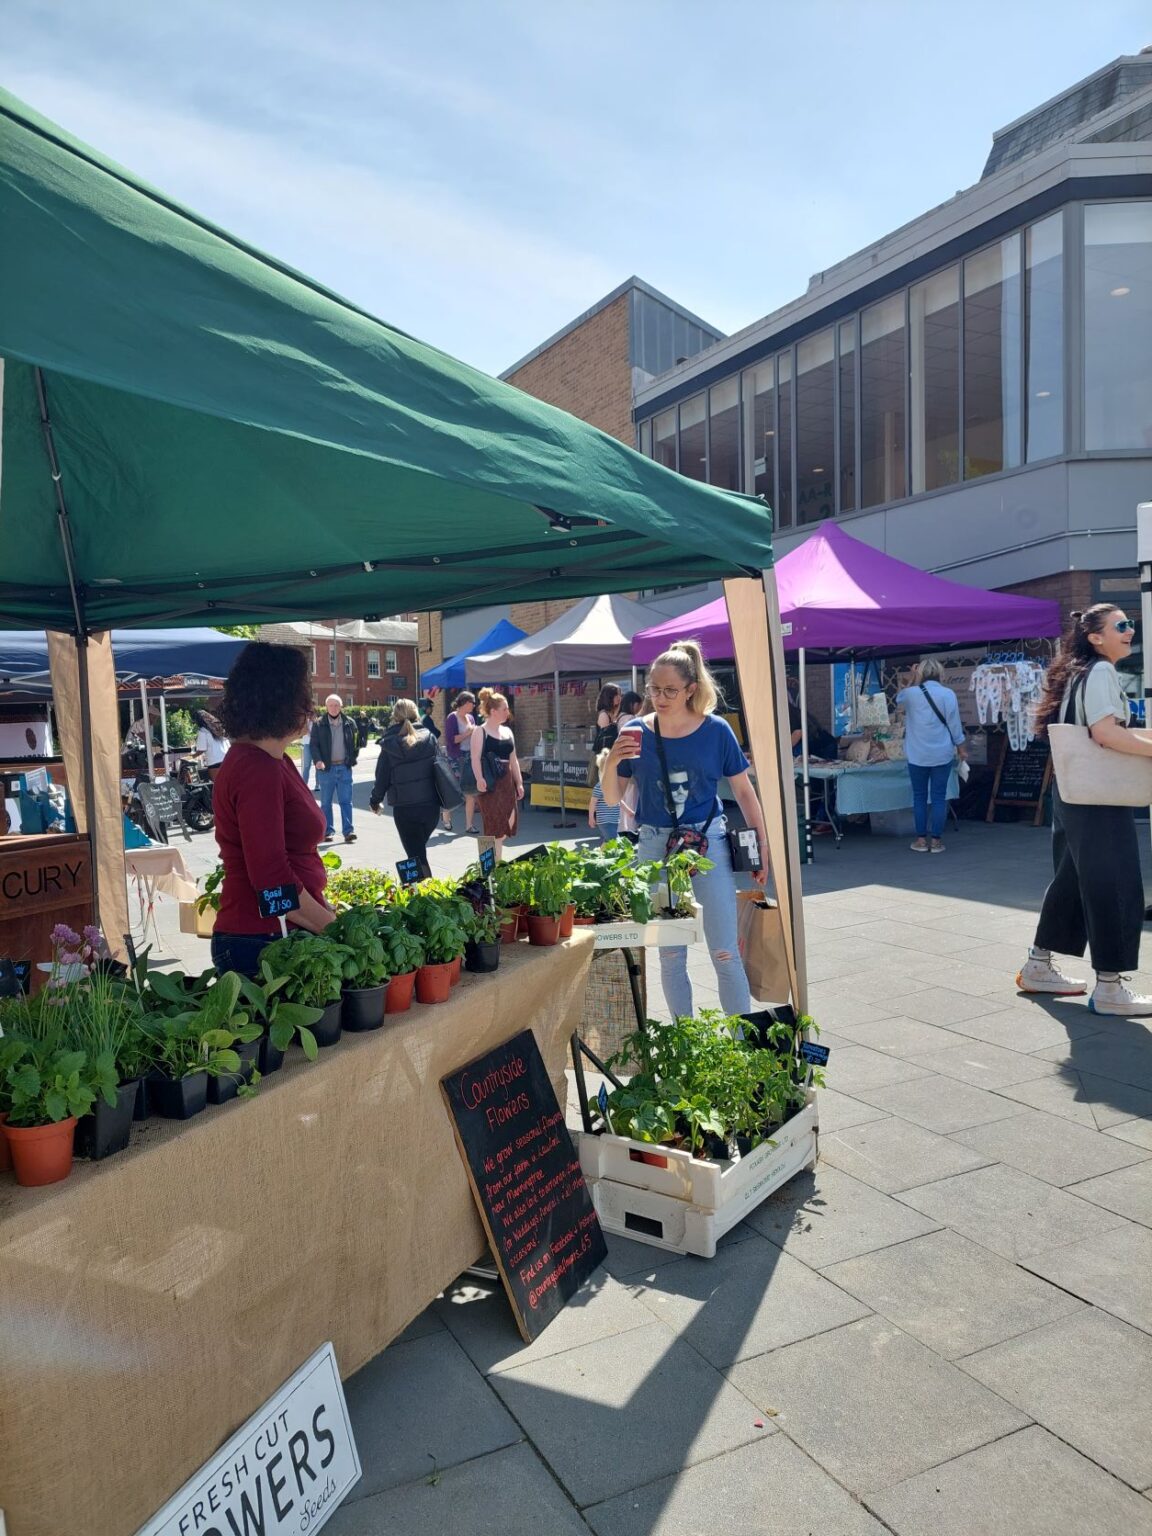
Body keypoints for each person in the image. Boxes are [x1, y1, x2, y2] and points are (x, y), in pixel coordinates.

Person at [601, 639, 768, 1019]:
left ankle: (739, 1049)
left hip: (707, 844)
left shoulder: (716, 730)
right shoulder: (635, 733)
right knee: (671, 956)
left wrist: (762, 845)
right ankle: (684, 1043)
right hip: (655, 845)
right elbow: (612, 799)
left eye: (670, 690)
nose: (659, 697)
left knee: (725, 952)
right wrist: (612, 761)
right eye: (653, 689)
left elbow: (743, 791)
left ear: (691, 689)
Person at [1018, 604, 1152, 1016]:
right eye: (1121, 626)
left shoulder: (1078, 671)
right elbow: (1105, 732)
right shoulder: (1100, 672)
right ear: (1095, 636)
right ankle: (1110, 987)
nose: (1130, 631)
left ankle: (1038, 965)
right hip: (1099, 798)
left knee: (1072, 879)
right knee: (1115, 883)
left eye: (1130, 625)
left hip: (1075, 791)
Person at [211, 643, 334, 976]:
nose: (311, 706)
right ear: (283, 699)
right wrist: (337, 930)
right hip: (262, 941)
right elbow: (271, 880)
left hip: (272, 934)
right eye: (305, 693)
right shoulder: (256, 768)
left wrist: (325, 911)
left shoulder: (274, 761)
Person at [895, 659, 967, 853]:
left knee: (919, 797)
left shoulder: (910, 694)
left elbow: (898, 700)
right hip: (942, 753)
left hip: (917, 754)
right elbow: (954, 725)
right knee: (938, 797)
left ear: (920, 673)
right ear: (940, 673)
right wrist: (961, 747)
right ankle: (936, 841)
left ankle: (920, 840)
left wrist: (911, 679)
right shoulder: (948, 694)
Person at [371, 698, 441, 878]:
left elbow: (382, 778)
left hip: (405, 809)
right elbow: (441, 769)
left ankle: (429, 896)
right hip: (431, 807)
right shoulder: (430, 738)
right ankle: (422, 893)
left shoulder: (389, 744)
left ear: (395, 716)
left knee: (416, 856)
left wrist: (375, 801)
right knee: (418, 853)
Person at [471, 688, 523, 860]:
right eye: (504, 709)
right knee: (492, 825)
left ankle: (494, 863)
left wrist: (519, 782)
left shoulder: (508, 732)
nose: (508, 712)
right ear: (493, 711)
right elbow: (475, 758)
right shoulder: (480, 731)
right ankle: (490, 869)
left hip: (507, 783)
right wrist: (479, 778)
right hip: (490, 783)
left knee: (509, 822)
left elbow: (513, 759)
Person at [311, 693, 359, 844]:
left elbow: (356, 742)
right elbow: (314, 745)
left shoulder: (350, 723)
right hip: (327, 769)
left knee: (346, 801)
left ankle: (348, 831)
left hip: (344, 767)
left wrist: (352, 759)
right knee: (326, 802)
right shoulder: (319, 724)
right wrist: (318, 760)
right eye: (331, 705)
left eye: (336, 705)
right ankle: (328, 831)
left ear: (341, 706)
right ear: (326, 707)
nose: (333, 708)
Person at [444, 690, 479, 835]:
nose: (474, 706)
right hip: (456, 757)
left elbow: (475, 736)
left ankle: (469, 825)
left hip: (470, 757)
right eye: (472, 703)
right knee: (455, 791)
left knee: (470, 792)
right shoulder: (452, 717)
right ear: (465, 703)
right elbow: (452, 740)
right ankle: (446, 815)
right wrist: (468, 733)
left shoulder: (471, 718)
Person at [786, 676, 839, 761]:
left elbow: (798, 732)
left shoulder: (790, 714)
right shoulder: (795, 712)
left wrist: (783, 751)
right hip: (822, 743)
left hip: (824, 746)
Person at [587, 750, 620, 842]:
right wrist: (591, 817)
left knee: (609, 842)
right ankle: (602, 854)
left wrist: (629, 812)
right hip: (605, 821)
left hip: (614, 820)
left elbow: (620, 800)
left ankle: (600, 854)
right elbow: (593, 802)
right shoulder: (600, 785)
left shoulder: (614, 784)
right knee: (613, 842)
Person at [193, 709, 229, 781]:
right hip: (227, 759)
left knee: (218, 785)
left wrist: (193, 756)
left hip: (215, 762)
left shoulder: (203, 731)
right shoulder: (218, 728)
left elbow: (202, 749)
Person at [594, 685, 623, 753]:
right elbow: (606, 739)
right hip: (604, 754)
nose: (619, 697)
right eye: (616, 694)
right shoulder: (604, 715)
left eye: (620, 694)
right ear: (609, 696)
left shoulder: (614, 713)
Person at [296, 711, 314, 789]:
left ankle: (318, 785)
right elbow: (302, 732)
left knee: (318, 766)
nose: (310, 716)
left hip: (316, 745)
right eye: (309, 715)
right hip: (307, 744)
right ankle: (304, 785)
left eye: (312, 715)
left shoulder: (317, 723)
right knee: (306, 765)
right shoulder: (305, 723)